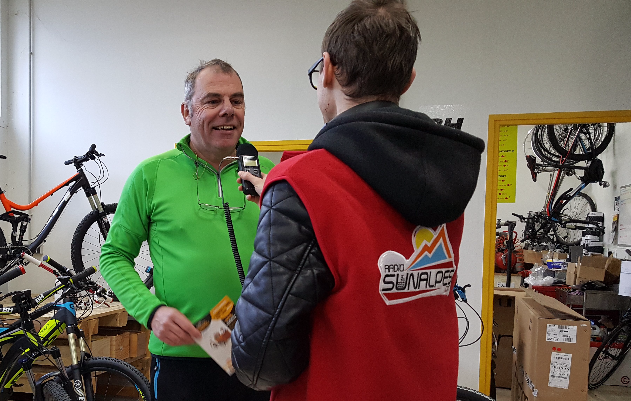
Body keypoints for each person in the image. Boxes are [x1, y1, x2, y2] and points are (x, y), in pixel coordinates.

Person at [230, 1, 485, 400]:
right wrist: (285, 207)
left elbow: (259, 360)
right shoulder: (444, 177)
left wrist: (290, 203)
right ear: (408, 81)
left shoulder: (302, 182)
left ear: (327, 69)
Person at [100, 59, 274, 401]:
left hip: (258, 353)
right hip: (182, 362)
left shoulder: (268, 173)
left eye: (237, 100)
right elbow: (114, 255)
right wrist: (151, 311)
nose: (228, 110)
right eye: (213, 101)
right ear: (186, 112)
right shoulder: (151, 175)